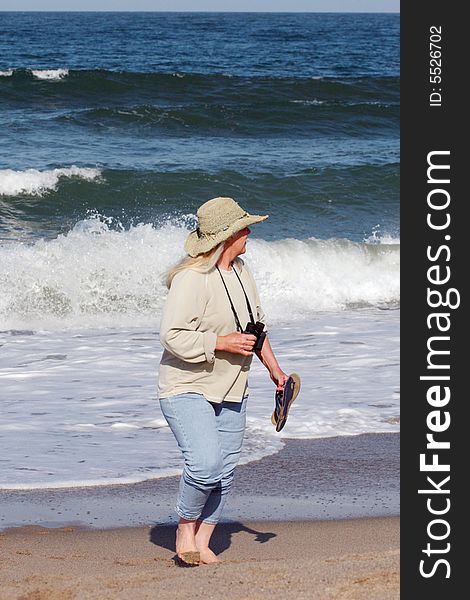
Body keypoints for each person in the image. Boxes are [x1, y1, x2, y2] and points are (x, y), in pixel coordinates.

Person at [158, 196, 288, 566]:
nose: (249, 233)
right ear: (226, 236)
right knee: (204, 464)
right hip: (186, 386)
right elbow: (171, 335)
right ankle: (184, 528)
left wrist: (275, 370)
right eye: (243, 228)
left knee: (225, 471)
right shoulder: (191, 279)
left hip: (233, 387)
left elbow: (256, 329)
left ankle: (203, 540)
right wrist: (221, 342)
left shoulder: (243, 272)